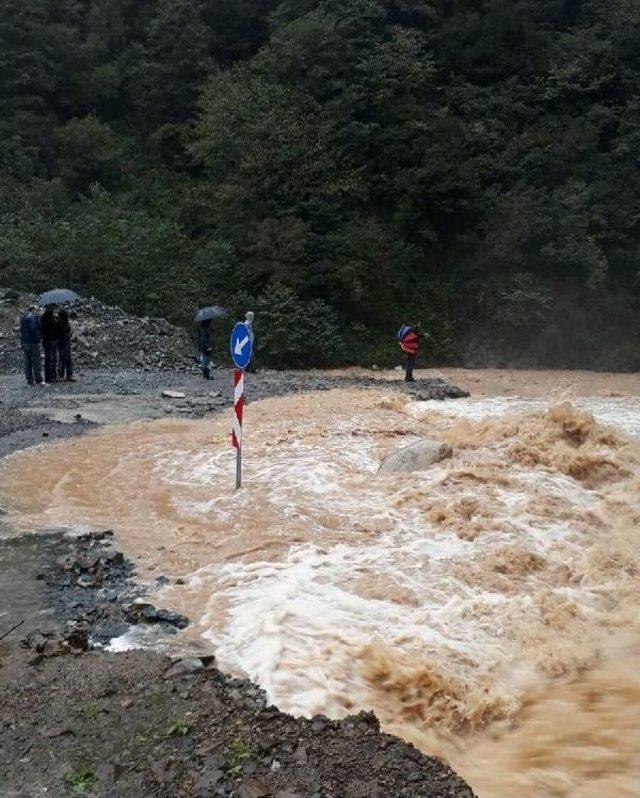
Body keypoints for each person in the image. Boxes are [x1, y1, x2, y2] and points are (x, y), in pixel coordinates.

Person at [20, 305, 43, 386]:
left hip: (24, 343)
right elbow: (34, 329)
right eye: (36, 310)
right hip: (32, 343)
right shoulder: (33, 318)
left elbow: (21, 330)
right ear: (33, 310)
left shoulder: (23, 318)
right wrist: (39, 339)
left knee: (27, 362)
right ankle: (38, 380)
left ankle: (29, 380)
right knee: (36, 361)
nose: (36, 311)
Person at [41, 304, 59, 383]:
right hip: (49, 341)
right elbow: (47, 330)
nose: (53, 308)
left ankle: (52, 376)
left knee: (52, 359)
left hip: (50, 340)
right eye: (51, 307)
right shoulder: (45, 318)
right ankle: (50, 377)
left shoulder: (49, 317)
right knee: (50, 359)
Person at [57, 308, 75, 382]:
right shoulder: (62, 324)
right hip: (64, 342)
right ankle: (66, 375)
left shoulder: (59, 323)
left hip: (62, 343)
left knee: (64, 359)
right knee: (65, 359)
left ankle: (64, 375)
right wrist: (69, 335)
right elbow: (64, 334)